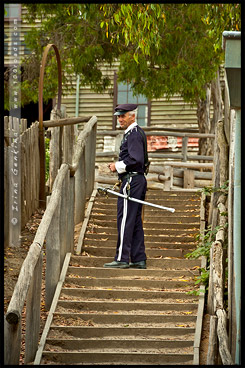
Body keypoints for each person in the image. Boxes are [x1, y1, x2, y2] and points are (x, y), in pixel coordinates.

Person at [103, 103, 147, 269]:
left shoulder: (133, 134)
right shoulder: (133, 133)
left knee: (125, 220)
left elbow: (136, 160)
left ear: (132, 116)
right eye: (119, 116)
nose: (120, 119)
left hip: (132, 180)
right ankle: (138, 258)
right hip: (135, 180)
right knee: (134, 220)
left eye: (123, 116)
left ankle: (122, 258)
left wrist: (117, 165)